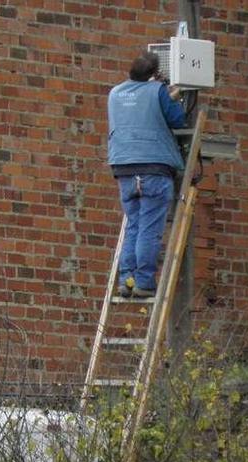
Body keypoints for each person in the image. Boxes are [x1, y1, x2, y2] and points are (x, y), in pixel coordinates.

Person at [107, 51, 186, 298]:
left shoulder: (115, 92)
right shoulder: (158, 91)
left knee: (134, 225)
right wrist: (171, 96)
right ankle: (144, 282)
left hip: (124, 168)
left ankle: (126, 279)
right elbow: (178, 120)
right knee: (149, 228)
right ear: (153, 75)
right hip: (154, 167)